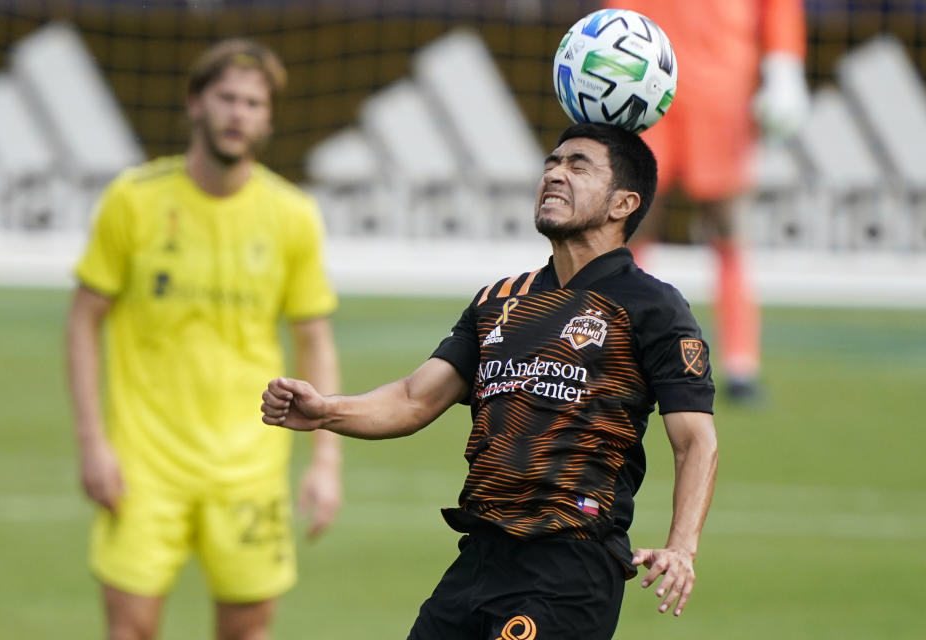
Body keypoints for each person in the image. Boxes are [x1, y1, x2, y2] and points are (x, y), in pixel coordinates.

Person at [261, 122, 718, 639]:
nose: (554, 173)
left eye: (577, 165)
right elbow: (414, 399)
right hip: (478, 559)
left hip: (569, 567)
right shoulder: (499, 300)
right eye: (552, 162)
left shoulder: (652, 305)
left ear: (622, 204)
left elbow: (695, 440)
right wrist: (327, 411)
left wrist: (682, 547)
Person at [66, 39, 342, 640]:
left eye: (252, 102)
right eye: (226, 98)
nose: (238, 113)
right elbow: (84, 318)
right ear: (196, 103)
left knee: (246, 633)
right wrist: (93, 442)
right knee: (128, 632)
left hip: (249, 468)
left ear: (268, 118)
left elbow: (313, 337)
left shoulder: (291, 215)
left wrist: (326, 459)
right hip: (143, 465)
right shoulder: (133, 200)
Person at [604, 0, 811, 400]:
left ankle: (741, 365)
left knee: (728, 225)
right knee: (632, 217)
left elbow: (779, 7)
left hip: (722, 84)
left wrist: (785, 64)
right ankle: (615, 351)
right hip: (646, 77)